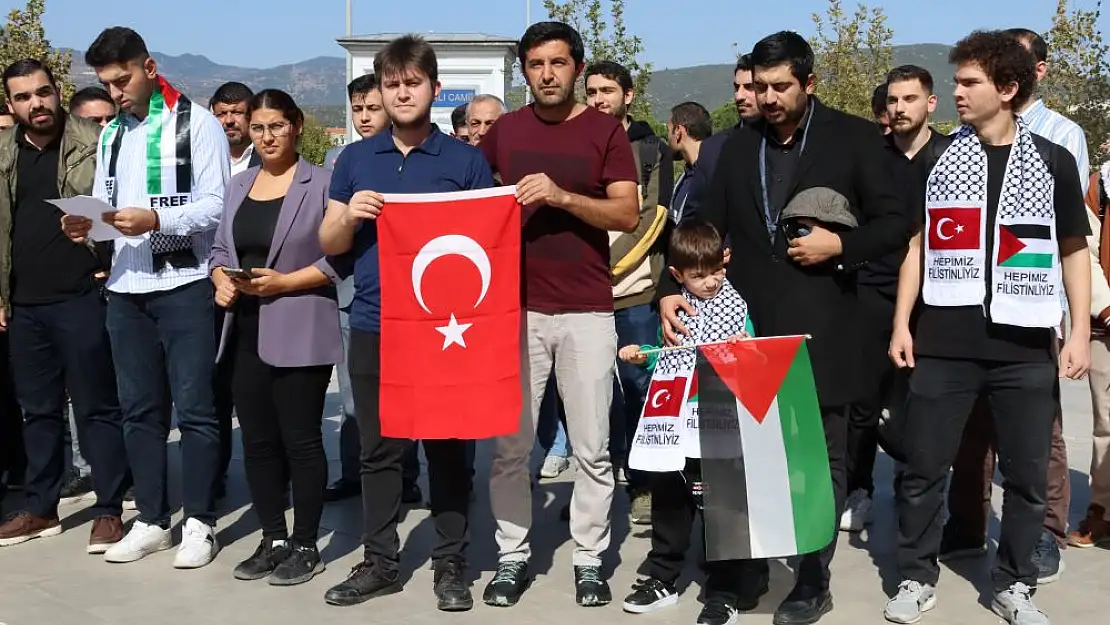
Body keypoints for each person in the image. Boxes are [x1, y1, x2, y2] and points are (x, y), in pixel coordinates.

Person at [658, 31, 909, 625]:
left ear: (809, 83)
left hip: (825, 329)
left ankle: (812, 579)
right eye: (759, 87)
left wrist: (840, 245)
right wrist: (672, 289)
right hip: (743, 329)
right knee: (736, 458)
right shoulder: (735, 147)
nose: (767, 98)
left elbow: (896, 222)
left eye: (780, 87)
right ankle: (737, 574)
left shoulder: (852, 140)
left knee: (817, 462)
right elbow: (706, 228)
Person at [885, 30, 1091, 625]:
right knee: (923, 467)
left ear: (1007, 88)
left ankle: (1016, 583)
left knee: (1026, 475)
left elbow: (1074, 249)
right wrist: (902, 322)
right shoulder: (938, 159)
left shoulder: (1052, 160)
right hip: (945, 343)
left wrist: (1076, 331)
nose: (957, 93)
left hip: (1024, 343)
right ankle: (915, 577)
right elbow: (919, 246)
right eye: (956, 81)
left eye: (970, 82)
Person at [318, 34, 493, 611]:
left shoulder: (467, 161)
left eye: (412, 82)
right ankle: (381, 562)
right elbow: (329, 241)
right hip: (374, 323)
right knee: (379, 450)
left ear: (434, 89)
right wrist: (350, 214)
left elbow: (486, 245)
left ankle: (451, 564)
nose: (401, 92)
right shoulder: (354, 158)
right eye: (391, 84)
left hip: (447, 331)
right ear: (380, 90)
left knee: (448, 449)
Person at [480, 21, 639, 609]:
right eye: (536, 64)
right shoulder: (502, 133)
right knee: (511, 448)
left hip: (588, 310)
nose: (547, 74)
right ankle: (512, 555)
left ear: (577, 67)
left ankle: (590, 558)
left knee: (594, 448)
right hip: (514, 313)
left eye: (558, 63)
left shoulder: (605, 132)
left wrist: (562, 196)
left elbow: (627, 213)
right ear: (524, 70)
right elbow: (466, 206)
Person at [62, 26, 229, 568]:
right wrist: (87, 225)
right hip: (125, 288)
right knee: (138, 411)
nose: (116, 92)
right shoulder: (112, 134)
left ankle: (200, 522)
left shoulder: (197, 124)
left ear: (149, 67)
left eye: (122, 79)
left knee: (197, 410)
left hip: (182, 284)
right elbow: (110, 211)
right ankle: (153, 519)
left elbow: (213, 207)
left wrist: (158, 218)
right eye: (107, 84)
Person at [943, 27, 1092, 584]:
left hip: (1033, 308)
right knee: (972, 426)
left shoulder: (1061, 138)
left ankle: (1044, 536)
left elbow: (1069, 235)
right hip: (968, 308)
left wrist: (1075, 326)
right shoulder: (961, 143)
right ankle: (966, 525)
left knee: (1038, 436)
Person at [210, 89, 345, 586]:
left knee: (302, 441)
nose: (266, 136)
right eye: (258, 127)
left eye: (276, 126)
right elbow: (220, 247)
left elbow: (339, 259)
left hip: (301, 324)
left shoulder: (324, 184)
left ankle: (306, 543)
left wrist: (287, 282)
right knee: (260, 444)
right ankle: (273, 539)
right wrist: (220, 278)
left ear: (296, 126)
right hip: (243, 327)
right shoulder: (238, 185)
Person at [0, 59, 128, 553]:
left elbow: (119, 209)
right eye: (24, 97)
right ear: (11, 105)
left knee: (97, 408)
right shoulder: (5, 152)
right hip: (25, 305)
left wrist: (106, 255)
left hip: (80, 296)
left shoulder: (94, 145)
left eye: (43, 93)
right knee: (38, 411)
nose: (36, 104)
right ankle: (41, 508)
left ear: (58, 92)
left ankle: (109, 510)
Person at [620, 220, 755, 625]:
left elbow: (753, 350)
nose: (711, 282)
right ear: (678, 275)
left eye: (716, 271)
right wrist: (643, 353)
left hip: (720, 418)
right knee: (670, 497)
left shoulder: (737, 305)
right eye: (698, 276)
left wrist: (742, 348)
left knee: (723, 504)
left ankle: (725, 589)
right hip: (674, 418)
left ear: (725, 261)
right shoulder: (674, 305)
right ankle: (663, 576)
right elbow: (668, 351)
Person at [840, 64, 948, 533]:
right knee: (862, 400)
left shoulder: (952, 155)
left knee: (926, 402)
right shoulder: (870, 155)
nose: (899, 108)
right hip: (872, 290)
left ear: (931, 103)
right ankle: (858, 488)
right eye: (893, 100)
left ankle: (918, 487)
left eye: (909, 99)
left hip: (938, 297)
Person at [585, 59, 672, 526]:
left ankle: (645, 487)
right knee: (587, 397)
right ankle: (594, 492)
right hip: (583, 295)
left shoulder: (651, 149)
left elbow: (652, 217)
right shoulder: (578, 142)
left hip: (635, 293)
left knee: (641, 390)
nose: (599, 99)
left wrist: (605, 265)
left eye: (607, 91)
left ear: (628, 95)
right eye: (592, 91)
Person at [684, 54, 762, 222]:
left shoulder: (790, 143)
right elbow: (693, 215)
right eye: (737, 87)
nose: (739, 96)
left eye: (749, 87)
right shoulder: (713, 148)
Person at [1078, 156, 1110, 548]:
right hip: (1107, 323)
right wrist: (1105, 307)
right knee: (1106, 423)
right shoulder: (1100, 185)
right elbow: (1084, 251)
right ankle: (1102, 511)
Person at [668, 102, 712, 226]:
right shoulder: (686, 175)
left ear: (678, 131)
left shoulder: (712, 175)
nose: (668, 139)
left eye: (669, 131)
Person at [211, 82, 259, 176]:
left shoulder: (269, 159)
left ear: (252, 115)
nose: (229, 121)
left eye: (237, 112)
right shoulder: (204, 157)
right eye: (222, 114)